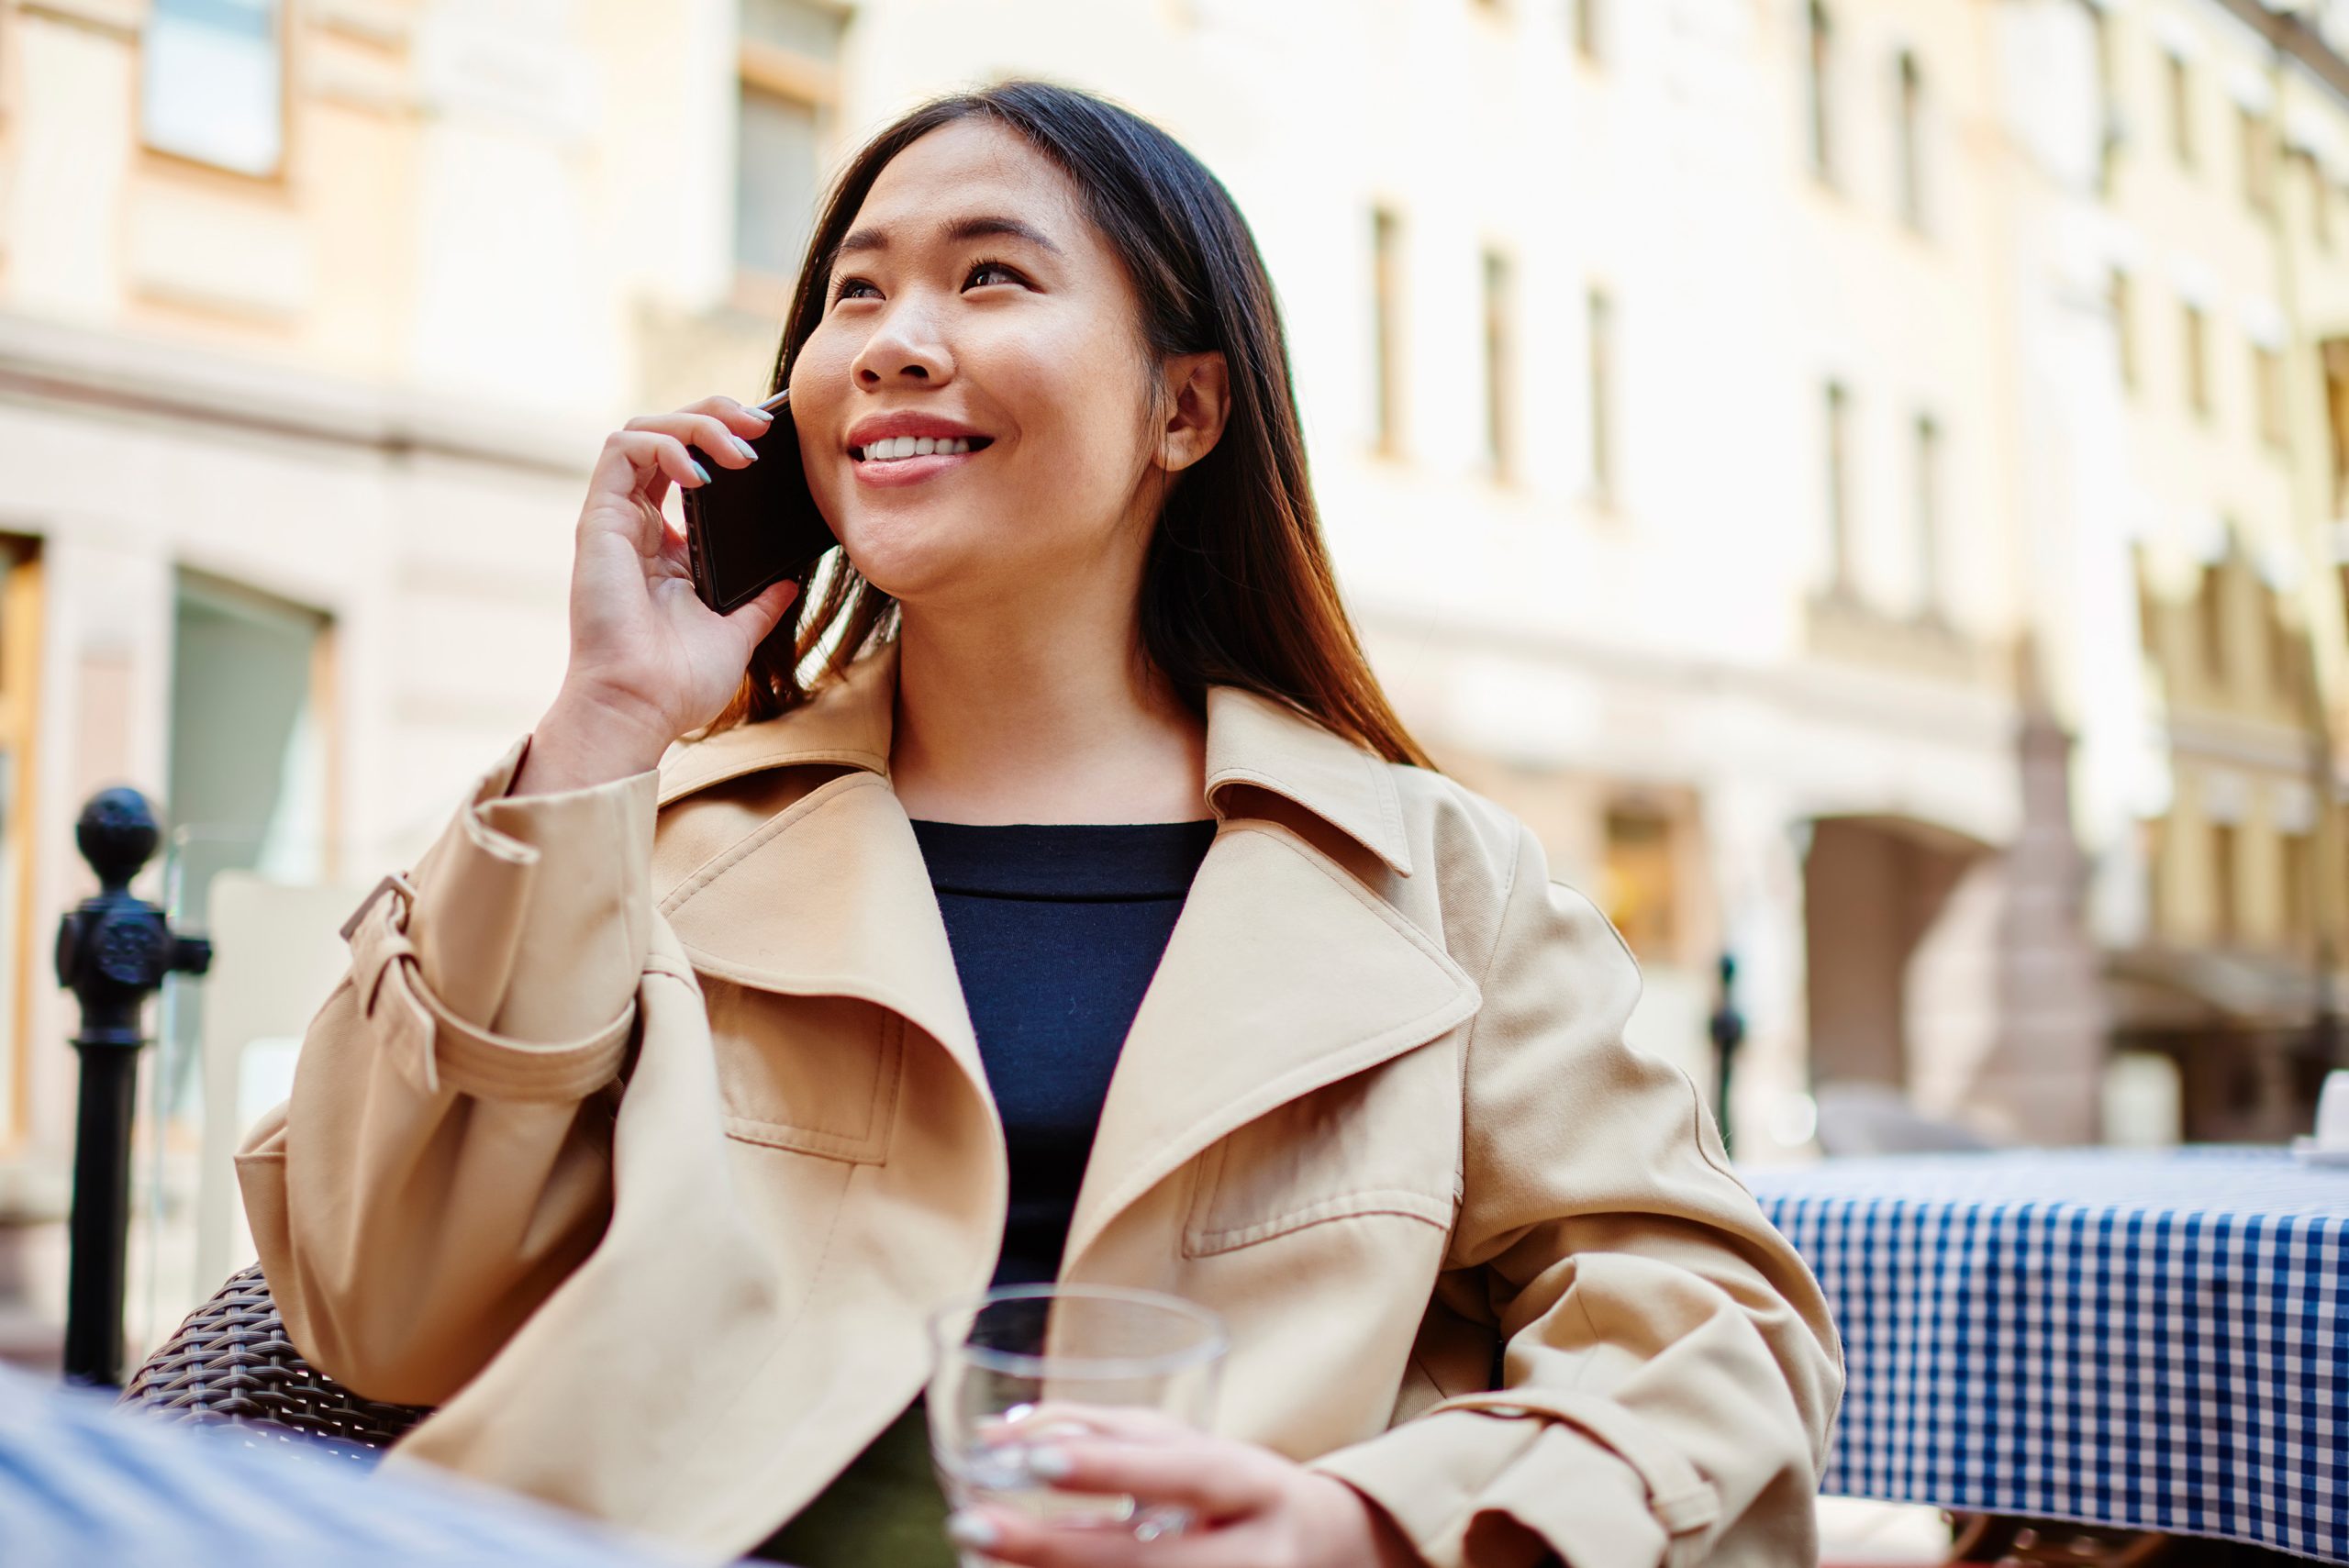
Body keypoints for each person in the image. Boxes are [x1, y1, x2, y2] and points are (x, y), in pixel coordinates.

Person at [234, 81, 1842, 1568]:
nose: (892, 339)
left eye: (989, 276)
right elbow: (379, 1304)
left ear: (1186, 410)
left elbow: (1716, 1342)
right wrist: (602, 720)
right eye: (853, 291)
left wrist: (1353, 1524)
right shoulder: (635, 830)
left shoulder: (1437, 880)